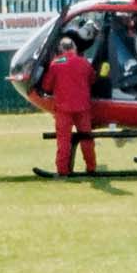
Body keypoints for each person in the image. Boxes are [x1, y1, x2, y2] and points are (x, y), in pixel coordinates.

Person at [41, 35, 98, 176]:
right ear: (74, 48)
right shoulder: (83, 62)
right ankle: (91, 167)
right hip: (83, 107)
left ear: (61, 49)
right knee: (86, 138)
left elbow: (47, 86)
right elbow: (93, 79)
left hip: (63, 108)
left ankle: (62, 170)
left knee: (63, 140)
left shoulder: (56, 63)